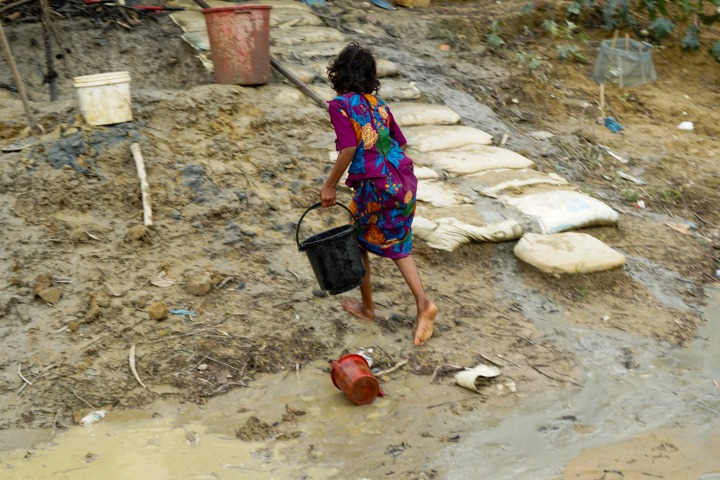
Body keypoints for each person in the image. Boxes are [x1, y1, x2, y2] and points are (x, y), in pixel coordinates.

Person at [319, 42, 437, 346]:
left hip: (376, 186)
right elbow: (401, 143)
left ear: (339, 74)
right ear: (370, 76)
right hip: (403, 181)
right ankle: (411, 305)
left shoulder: (340, 106)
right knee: (396, 242)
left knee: (365, 241)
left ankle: (383, 307)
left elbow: (347, 147)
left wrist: (330, 184)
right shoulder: (378, 104)